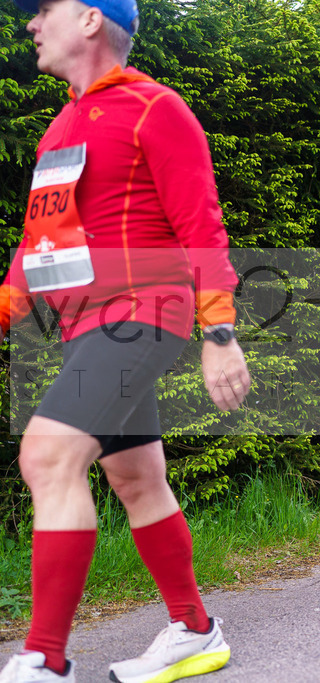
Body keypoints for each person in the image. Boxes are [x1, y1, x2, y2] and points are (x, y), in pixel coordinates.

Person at [0, 1, 251, 681]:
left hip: (144, 309)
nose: (30, 24)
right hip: (84, 324)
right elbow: (38, 243)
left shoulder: (154, 107)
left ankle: (45, 661)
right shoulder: (60, 127)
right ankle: (196, 630)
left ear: (88, 20)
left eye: (43, 10)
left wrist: (219, 330)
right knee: (136, 476)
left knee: (49, 457)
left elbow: (200, 220)